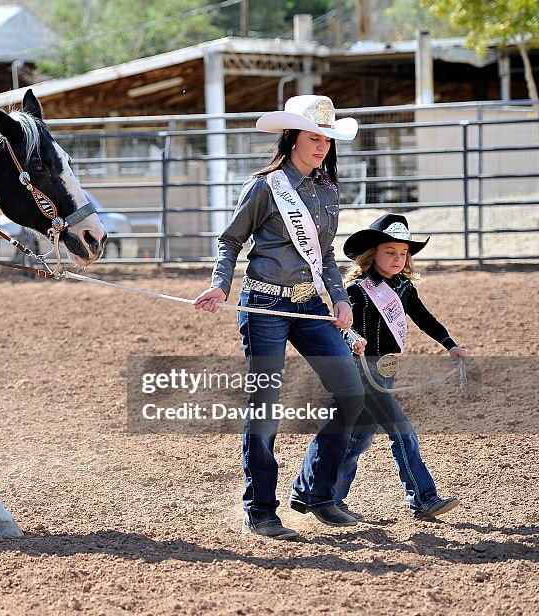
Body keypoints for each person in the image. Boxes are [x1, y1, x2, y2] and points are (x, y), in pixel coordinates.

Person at [194, 95, 366, 539]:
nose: (322, 147)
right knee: (265, 405)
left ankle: (316, 493)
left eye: (326, 140)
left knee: (349, 392)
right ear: (291, 138)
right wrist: (220, 283)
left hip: (310, 306)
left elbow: (325, 253)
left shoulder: (328, 190)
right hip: (264, 306)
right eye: (314, 139)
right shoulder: (264, 187)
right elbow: (231, 240)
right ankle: (261, 508)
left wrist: (339, 298)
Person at [319, 213, 465, 521]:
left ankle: (328, 499)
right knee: (402, 432)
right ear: (372, 254)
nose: (398, 258)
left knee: (357, 440)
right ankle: (423, 499)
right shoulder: (357, 290)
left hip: (385, 370)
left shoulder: (403, 288)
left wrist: (449, 343)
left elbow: (424, 318)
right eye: (390, 252)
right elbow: (344, 327)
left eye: (403, 253)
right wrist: (352, 339)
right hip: (362, 370)